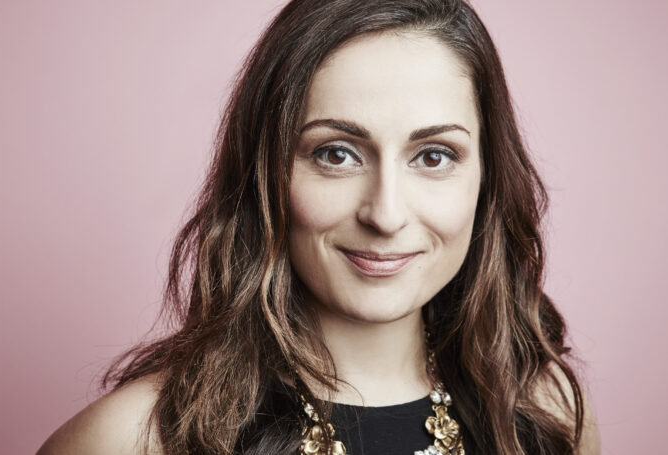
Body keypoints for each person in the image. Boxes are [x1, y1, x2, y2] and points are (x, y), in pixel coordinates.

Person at [37, 0, 600, 454]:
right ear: (267, 173)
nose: (385, 214)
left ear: (487, 180)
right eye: (336, 154)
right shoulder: (132, 441)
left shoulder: (548, 417)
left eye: (433, 156)